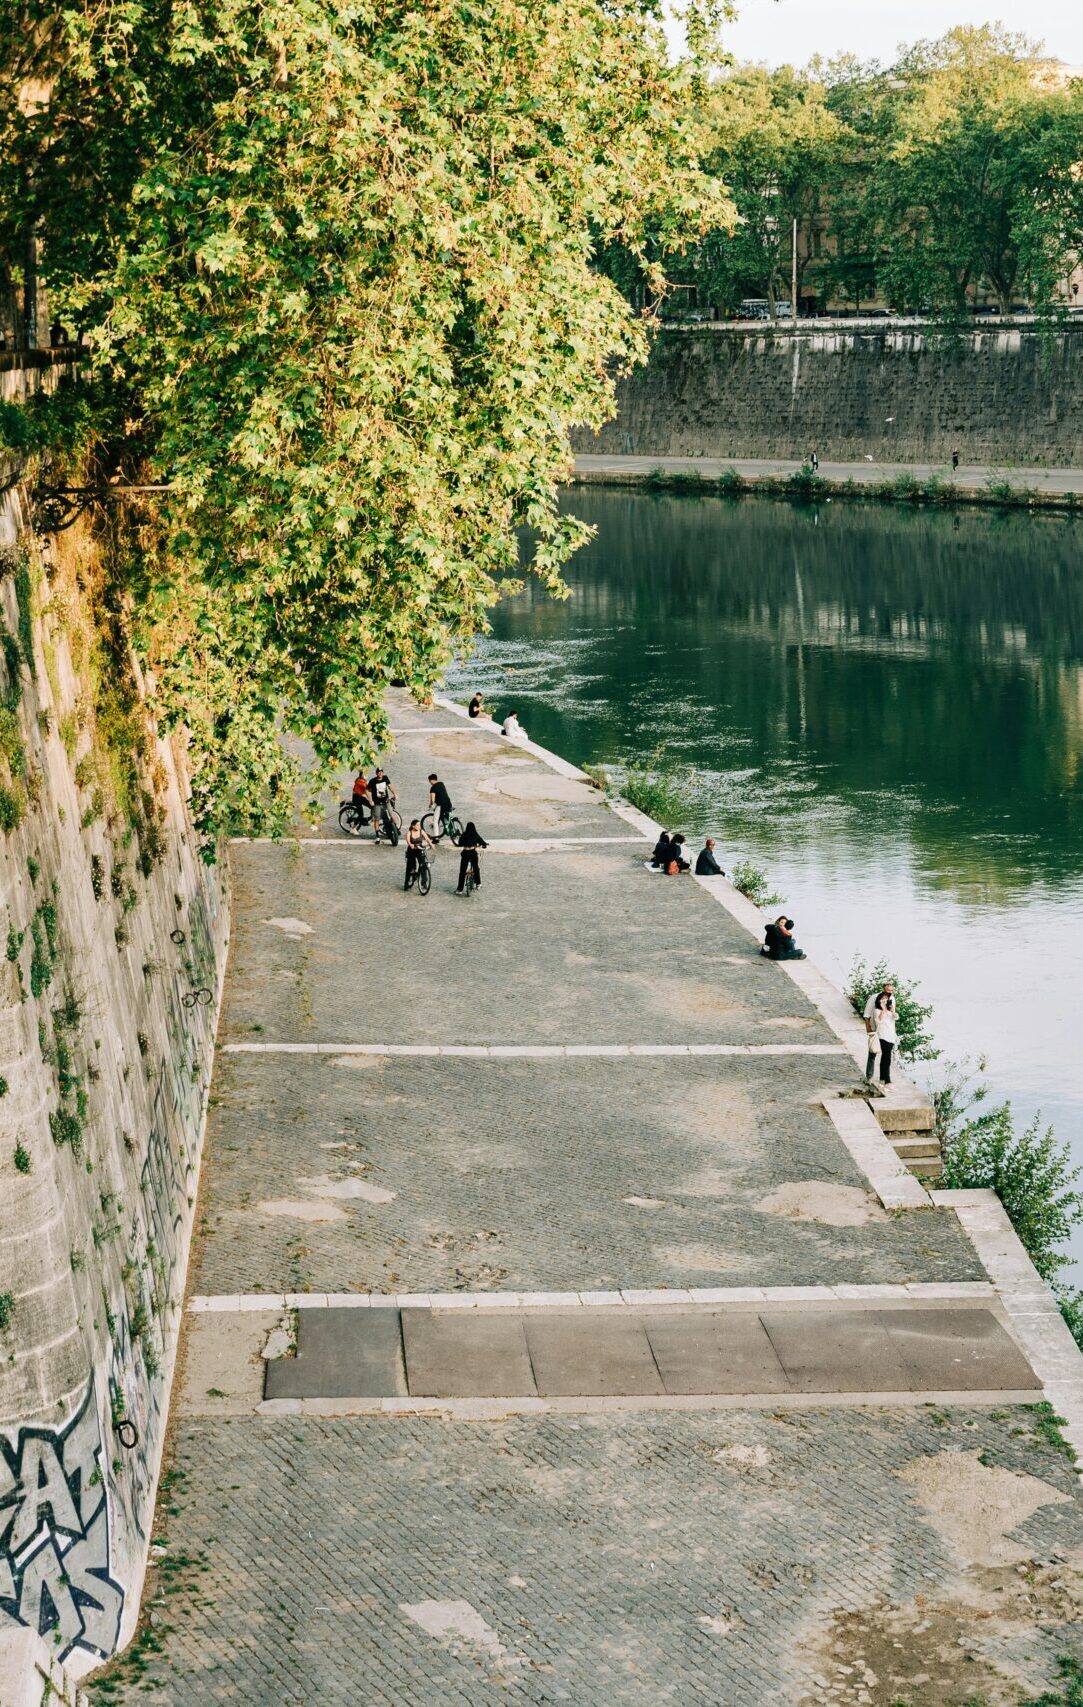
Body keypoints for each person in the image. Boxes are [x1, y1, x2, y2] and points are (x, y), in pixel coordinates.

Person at [863, 981, 897, 1085]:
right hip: (875, 1028)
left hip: (887, 1031)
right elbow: (866, 1014)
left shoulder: (892, 999)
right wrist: (868, 1028)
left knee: (885, 1055)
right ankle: (869, 1076)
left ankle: (883, 1078)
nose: (890, 992)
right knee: (873, 1052)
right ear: (883, 989)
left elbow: (892, 1015)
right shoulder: (874, 998)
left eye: (892, 991)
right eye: (888, 990)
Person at [456, 821, 488, 894]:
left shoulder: (464, 835)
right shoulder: (475, 834)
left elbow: (459, 843)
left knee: (462, 872)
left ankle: (459, 890)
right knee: (476, 868)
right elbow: (482, 841)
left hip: (465, 854)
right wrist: (484, 844)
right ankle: (478, 884)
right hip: (473, 853)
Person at [403, 819, 432, 889]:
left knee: (423, 864)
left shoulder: (421, 831)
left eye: (419, 825)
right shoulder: (409, 833)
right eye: (417, 825)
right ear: (413, 826)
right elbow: (408, 841)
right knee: (410, 866)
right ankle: (406, 882)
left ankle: (424, 883)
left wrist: (431, 844)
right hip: (411, 850)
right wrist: (410, 844)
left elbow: (427, 839)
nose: (419, 826)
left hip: (419, 849)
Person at [369, 766, 396, 841]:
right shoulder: (372, 781)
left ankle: (395, 830)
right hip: (377, 803)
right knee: (377, 819)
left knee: (392, 816)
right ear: (376, 773)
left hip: (386, 801)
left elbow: (390, 787)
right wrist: (370, 800)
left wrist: (395, 794)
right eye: (378, 772)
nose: (380, 773)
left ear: (383, 773)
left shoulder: (385, 778)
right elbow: (367, 790)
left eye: (381, 772)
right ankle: (377, 836)